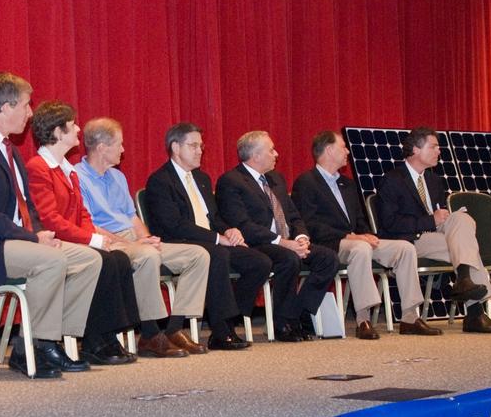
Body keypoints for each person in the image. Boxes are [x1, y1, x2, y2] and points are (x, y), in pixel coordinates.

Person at [0, 73, 101, 379]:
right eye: (26, 106)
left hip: (12, 242)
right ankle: (37, 346)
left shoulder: (10, 149)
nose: (30, 114)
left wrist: (42, 235)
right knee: (52, 260)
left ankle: (56, 343)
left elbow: (27, 206)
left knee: (89, 259)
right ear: (4, 108)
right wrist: (32, 237)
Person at [25, 102, 184, 361]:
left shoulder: (66, 171)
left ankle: (106, 336)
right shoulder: (39, 167)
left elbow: (82, 216)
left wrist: (97, 238)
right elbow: (50, 220)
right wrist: (94, 239)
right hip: (55, 242)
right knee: (107, 260)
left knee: (117, 259)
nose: (78, 128)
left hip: (74, 238)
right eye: (72, 125)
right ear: (57, 132)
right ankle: (95, 339)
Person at [74, 117, 212, 355]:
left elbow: (132, 217)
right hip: (107, 242)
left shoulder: (118, 176)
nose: (124, 150)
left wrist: (148, 238)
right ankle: (149, 334)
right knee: (147, 256)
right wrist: (134, 244)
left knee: (198, 255)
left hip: (132, 240)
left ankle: (173, 328)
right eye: (120, 144)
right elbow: (89, 226)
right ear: (102, 147)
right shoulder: (77, 177)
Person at [291, 131, 440, 340]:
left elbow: (360, 220)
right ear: (329, 150)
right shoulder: (306, 182)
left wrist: (367, 235)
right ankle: (363, 318)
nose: (347, 151)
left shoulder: (347, 184)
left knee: (405, 247)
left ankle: (409, 317)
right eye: (343, 147)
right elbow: (309, 225)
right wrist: (350, 237)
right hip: (330, 244)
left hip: (356, 240)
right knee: (360, 248)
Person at [143, 123, 272, 350]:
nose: (200, 151)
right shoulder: (160, 181)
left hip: (211, 240)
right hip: (180, 241)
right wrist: (216, 238)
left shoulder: (201, 178)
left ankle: (227, 317)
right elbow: (174, 225)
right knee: (218, 254)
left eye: (201, 146)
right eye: (193, 146)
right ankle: (221, 331)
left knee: (259, 262)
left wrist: (229, 230)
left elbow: (213, 216)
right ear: (175, 147)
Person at [375, 127, 491, 333]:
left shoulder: (434, 180)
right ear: (416, 149)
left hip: (436, 236)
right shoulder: (392, 180)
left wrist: (438, 220)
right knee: (465, 247)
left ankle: (464, 280)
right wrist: (430, 221)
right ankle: (474, 313)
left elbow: (439, 217)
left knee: (462, 220)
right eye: (433, 146)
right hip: (410, 240)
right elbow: (389, 224)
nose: (439, 151)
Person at [215, 131, 339, 342]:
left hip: (288, 241)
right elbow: (243, 225)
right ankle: (282, 323)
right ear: (255, 156)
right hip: (258, 243)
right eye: (271, 150)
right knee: (288, 259)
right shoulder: (231, 181)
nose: (276, 154)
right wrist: (283, 243)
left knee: (328, 259)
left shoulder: (276, 178)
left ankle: (298, 312)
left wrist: (301, 237)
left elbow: (293, 215)